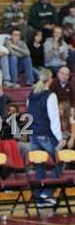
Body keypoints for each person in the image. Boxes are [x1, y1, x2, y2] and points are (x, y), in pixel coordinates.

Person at [27, 69, 65, 207]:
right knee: (61, 160)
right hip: (46, 134)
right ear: (51, 79)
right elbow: (54, 119)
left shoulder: (31, 94)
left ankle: (38, 198)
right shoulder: (50, 96)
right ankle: (46, 193)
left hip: (34, 134)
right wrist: (60, 138)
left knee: (40, 165)